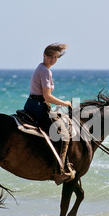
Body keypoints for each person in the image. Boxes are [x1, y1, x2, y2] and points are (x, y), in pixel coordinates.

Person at [24, 43, 75, 185]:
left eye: (56, 57)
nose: (53, 59)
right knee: (63, 135)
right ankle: (59, 172)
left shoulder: (41, 68)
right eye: (50, 56)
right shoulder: (45, 71)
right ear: (44, 56)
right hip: (39, 106)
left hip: (31, 104)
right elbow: (47, 96)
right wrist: (65, 103)